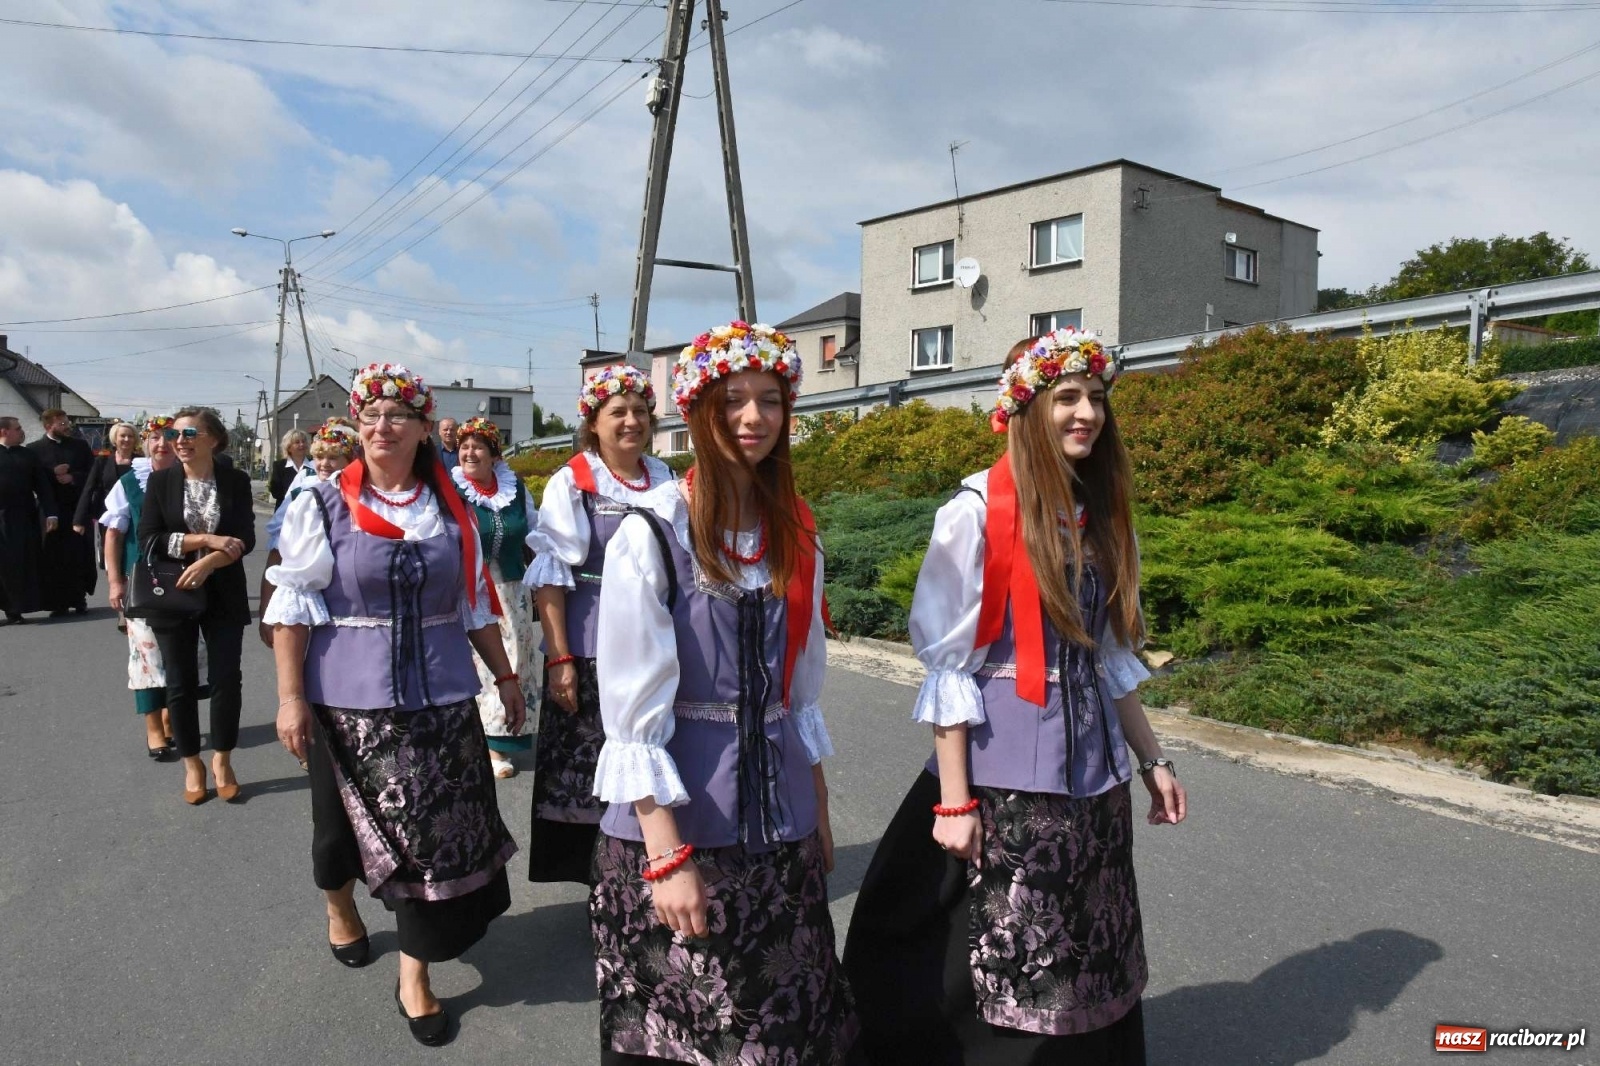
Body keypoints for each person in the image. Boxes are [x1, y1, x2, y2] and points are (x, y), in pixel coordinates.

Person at [842, 330, 1188, 1066]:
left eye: (1096, 398)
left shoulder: (1099, 516)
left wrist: (1154, 760)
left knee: (1087, 941)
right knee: (989, 951)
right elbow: (948, 669)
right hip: (1004, 787)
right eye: (1066, 397)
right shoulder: (976, 511)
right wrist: (957, 802)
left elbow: (1112, 657)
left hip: (1091, 785)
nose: (1085, 412)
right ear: (1026, 409)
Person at [588, 322, 856, 1065]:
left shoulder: (797, 537)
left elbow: (800, 699)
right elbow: (633, 722)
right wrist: (667, 858)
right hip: (679, 829)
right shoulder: (652, 535)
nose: (752, 418)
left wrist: (820, 810)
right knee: (686, 1029)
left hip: (780, 831)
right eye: (732, 400)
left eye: (769, 401)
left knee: (780, 1027)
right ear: (698, 413)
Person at [268, 363, 522, 1048]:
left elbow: (473, 603)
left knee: (429, 850)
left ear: (419, 428)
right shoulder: (320, 502)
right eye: (371, 417)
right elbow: (291, 608)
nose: (383, 427)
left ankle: (415, 976)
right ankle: (338, 904)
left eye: (398, 417)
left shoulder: (449, 508)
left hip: (440, 701)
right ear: (357, 427)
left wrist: (505, 678)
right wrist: (290, 698)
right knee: (335, 839)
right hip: (346, 706)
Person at [523, 363, 678, 884]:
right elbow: (551, 577)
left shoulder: (666, 478)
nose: (631, 421)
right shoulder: (575, 481)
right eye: (618, 412)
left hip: (658, 645)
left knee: (654, 755)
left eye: (639, 411)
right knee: (592, 768)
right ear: (593, 422)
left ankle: (652, 862)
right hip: (593, 650)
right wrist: (560, 657)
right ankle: (601, 877)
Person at [136, 406, 255, 805]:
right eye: (174, 435)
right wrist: (204, 541)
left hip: (223, 591)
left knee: (225, 678)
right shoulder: (161, 482)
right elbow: (150, 539)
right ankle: (193, 764)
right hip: (173, 593)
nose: (179, 442)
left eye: (188, 434)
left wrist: (210, 561)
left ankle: (222, 759)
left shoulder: (235, 481)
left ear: (213, 439)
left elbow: (244, 539)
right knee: (180, 682)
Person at [449, 416, 539, 778]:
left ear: (494, 455)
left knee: (516, 663)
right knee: (481, 667)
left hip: (514, 591)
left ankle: (508, 732)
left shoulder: (515, 488)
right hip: (471, 591)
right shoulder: (452, 489)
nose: (469, 453)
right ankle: (488, 743)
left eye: (478, 447)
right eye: (464, 447)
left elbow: (536, 532)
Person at [102, 416, 179, 758]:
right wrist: (115, 580)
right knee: (147, 654)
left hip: (183, 580)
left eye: (169, 438)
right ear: (145, 443)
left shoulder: (191, 478)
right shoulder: (131, 482)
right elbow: (114, 533)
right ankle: (153, 730)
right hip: (142, 582)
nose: (162, 444)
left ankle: (170, 716)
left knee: (182, 652)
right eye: (155, 438)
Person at [258, 422, 358, 649]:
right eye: (319, 456)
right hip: (311, 605)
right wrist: (266, 609)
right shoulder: (305, 494)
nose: (323, 464)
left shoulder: (364, 496)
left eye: (333, 457)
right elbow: (278, 556)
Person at [28, 408, 96, 615]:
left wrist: (73, 477)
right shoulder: (34, 449)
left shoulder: (80, 446)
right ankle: (56, 603)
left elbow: (93, 474)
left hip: (76, 509)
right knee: (52, 557)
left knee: (78, 555)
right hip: (50, 511)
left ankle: (79, 598)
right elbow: (32, 480)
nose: (68, 427)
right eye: (62, 424)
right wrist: (52, 474)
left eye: (67, 423)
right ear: (49, 426)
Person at [0, 416, 56, 626]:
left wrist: (51, 513)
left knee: (18, 565)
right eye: (17, 428)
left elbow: (42, 487)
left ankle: (14, 610)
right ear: (4, 431)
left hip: (23, 518)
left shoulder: (27, 456)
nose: (21, 431)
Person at [268, 429, 312, 507]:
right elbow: (275, 492)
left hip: (309, 510)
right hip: (285, 511)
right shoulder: (279, 466)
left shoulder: (314, 464)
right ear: (288, 447)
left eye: (303, 441)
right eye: (297, 442)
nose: (302, 444)